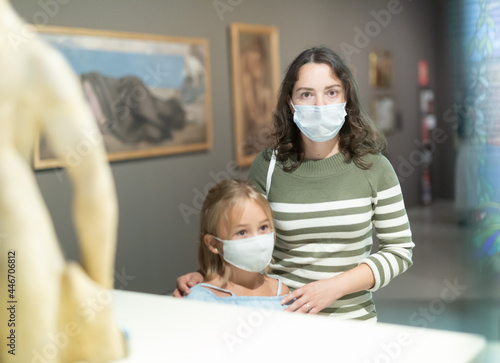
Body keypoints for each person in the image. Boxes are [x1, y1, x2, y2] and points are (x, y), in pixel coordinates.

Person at [176, 46, 414, 322]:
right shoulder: (267, 167)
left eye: (331, 92)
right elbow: (241, 240)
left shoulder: (374, 168)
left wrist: (334, 287)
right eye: (306, 94)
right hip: (282, 321)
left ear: (346, 98)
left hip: (354, 326)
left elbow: (400, 250)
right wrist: (207, 279)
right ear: (290, 103)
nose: (319, 105)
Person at [0, 1, 126, 362]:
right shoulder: (32, 58)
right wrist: (97, 290)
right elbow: (93, 184)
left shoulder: (33, 59)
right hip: (13, 241)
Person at [184, 179, 290, 310]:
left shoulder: (281, 292)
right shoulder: (200, 299)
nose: (257, 240)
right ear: (213, 243)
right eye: (242, 232)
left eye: (263, 227)